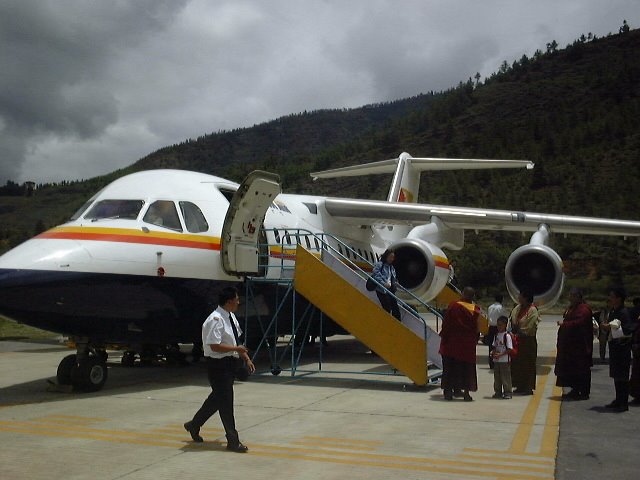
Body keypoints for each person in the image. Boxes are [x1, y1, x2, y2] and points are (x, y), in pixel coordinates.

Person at [184, 286, 255, 451]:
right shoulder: (215, 320)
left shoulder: (230, 317)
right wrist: (236, 350)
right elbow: (214, 346)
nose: (239, 302)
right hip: (217, 366)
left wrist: (245, 357)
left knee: (217, 400)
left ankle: (194, 425)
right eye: (237, 299)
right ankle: (233, 441)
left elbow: (236, 341)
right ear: (229, 301)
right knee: (226, 403)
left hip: (229, 364)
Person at [599, 287, 637, 412]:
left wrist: (610, 327)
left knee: (622, 376)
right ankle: (618, 399)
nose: (610, 299)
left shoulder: (623, 312)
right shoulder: (614, 311)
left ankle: (623, 402)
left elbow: (628, 329)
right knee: (616, 375)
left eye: (612, 296)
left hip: (622, 348)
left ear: (619, 299)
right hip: (615, 347)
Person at [439, 286, 480, 401]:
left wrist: (444, 336)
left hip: (452, 343)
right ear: (472, 297)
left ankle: (448, 392)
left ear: (462, 294)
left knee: (449, 368)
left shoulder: (454, 306)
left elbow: (446, 324)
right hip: (467, 345)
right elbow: (476, 327)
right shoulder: (474, 309)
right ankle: (466, 393)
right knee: (466, 368)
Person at [554, 288, 593, 400]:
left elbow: (579, 322)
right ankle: (575, 390)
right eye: (570, 295)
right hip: (570, 346)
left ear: (578, 297)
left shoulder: (584, 309)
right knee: (572, 369)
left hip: (580, 346)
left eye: (572, 295)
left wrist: (564, 324)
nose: (570, 298)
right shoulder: (572, 308)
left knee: (582, 369)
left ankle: (584, 392)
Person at [509, 289, 540, 395]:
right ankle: (519, 385)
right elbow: (512, 319)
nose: (518, 298)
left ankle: (528, 387)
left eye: (520, 296)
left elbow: (529, 326)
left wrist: (519, 330)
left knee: (528, 364)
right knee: (517, 364)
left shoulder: (533, 310)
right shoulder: (517, 308)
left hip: (527, 341)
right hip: (517, 339)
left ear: (526, 298)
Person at [371, 249, 401, 321]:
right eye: (390, 257)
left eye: (393, 257)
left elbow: (392, 278)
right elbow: (376, 274)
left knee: (395, 309)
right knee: (387, 308)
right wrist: (383, 283)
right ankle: (386, 324)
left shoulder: (391, 267)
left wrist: (396, 283)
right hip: (381, 290)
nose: (392, 259)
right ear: (386, 256)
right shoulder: (380, 265)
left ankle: (397, 325)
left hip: (390, 290)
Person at [491, 316, 513, 399]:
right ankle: (498, 392)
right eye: (498, 325)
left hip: (504, 361)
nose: (499, 326)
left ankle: (507, 392)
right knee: (497, 378)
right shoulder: (496, 335)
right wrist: (493, 352)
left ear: (505, 325)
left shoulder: (507, 336)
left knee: (505, 377)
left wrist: (500, 355)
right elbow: (494, 346)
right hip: (497, 361)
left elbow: (509, 349)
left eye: (500, 325)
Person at [486, 294, 509, 369]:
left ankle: (491, 363)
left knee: (491, 346)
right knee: (499, 345)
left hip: (490, 328)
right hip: (498, 328)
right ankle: (497, 361)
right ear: (501, 299)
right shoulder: (500, 308)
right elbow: (505, 317)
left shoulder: (490, 307)